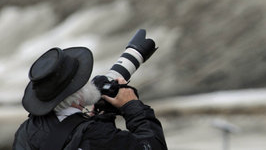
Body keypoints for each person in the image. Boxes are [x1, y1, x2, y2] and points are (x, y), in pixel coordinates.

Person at [13, 46, 168, 150]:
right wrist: (132, 106)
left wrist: (98, 119)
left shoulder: (26, 131)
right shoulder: (96, 136)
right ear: (78, 90)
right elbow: (154, 146)